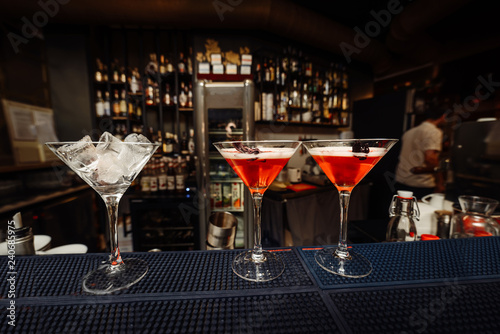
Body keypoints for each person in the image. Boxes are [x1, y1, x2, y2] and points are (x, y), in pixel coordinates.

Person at [394, 107, 447, 199]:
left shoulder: (409, 132)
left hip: (401, 179)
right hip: (420, 183)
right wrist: (440, 182)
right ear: (443, 116)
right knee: (420, 211)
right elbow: (430, 159)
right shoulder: (434, 132)